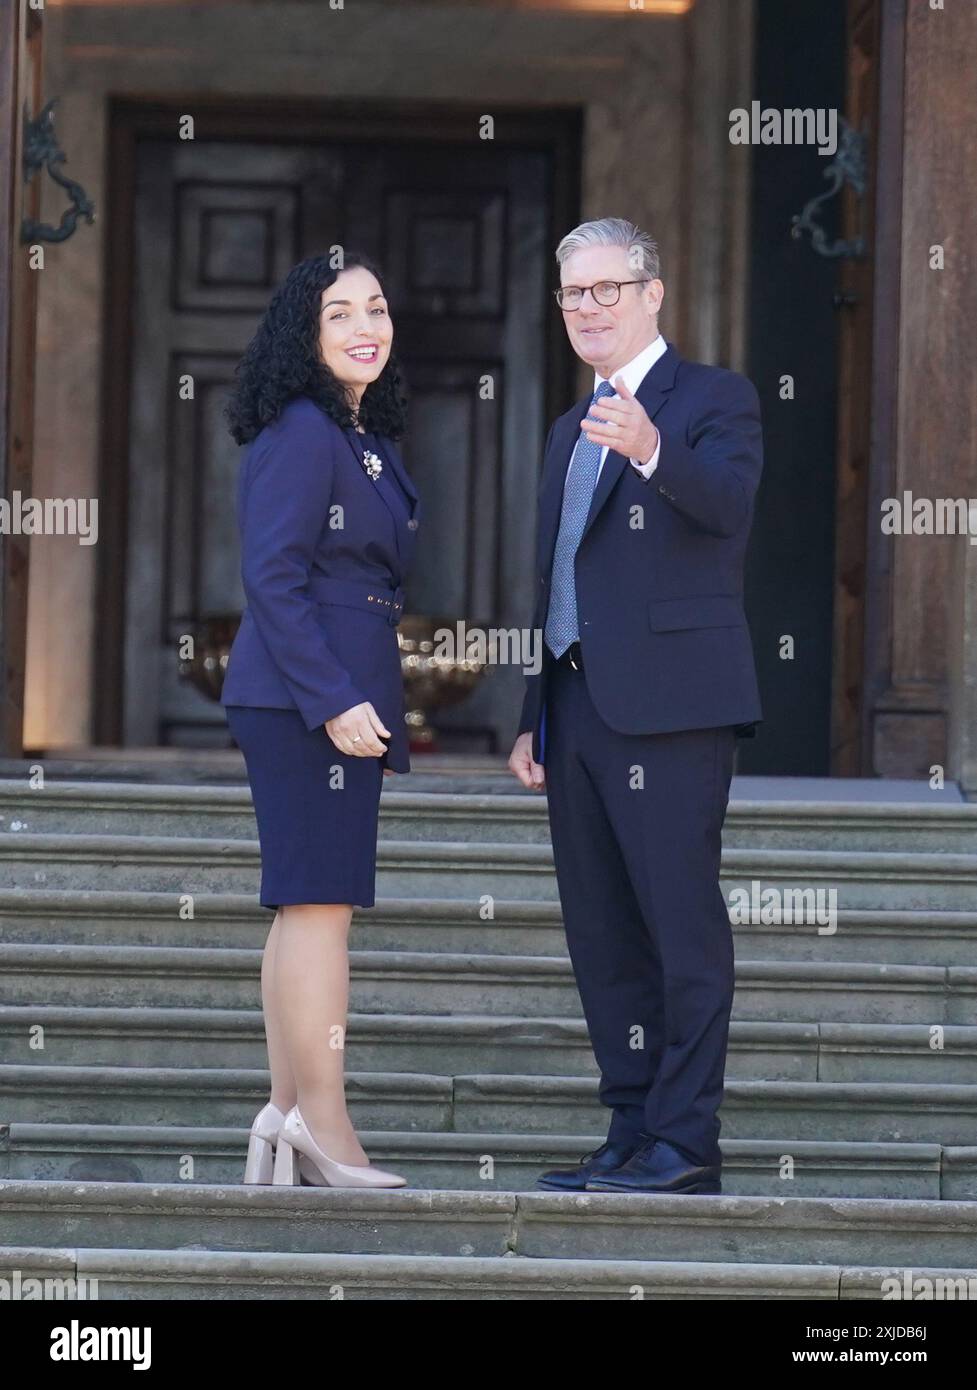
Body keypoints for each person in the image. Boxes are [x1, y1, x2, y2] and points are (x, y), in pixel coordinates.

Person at [508, 217, 763, 1196]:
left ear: (651, 293)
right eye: (571, 294)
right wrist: (535, 710)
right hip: (576, 708)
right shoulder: (564, 428)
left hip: (673, 709)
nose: (585, 309)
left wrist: (655, 448)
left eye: (604, 289)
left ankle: (684, 1139)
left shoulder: (711, 399)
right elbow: (558, 576)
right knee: (603, 933)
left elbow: (729, 505)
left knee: (677, 925)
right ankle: (628, 1128)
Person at [220, 252, 420, 1189]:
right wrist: (334, 698)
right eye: (337, 313)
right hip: (310, 699)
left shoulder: (355, 433)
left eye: (374, 309)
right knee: (319, 908)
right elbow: (272, 576)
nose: (362, 326)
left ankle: (286, 1109)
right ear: (304, 335)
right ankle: (325, 1126)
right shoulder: (303, 431)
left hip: (327, 693)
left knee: (306, 903)